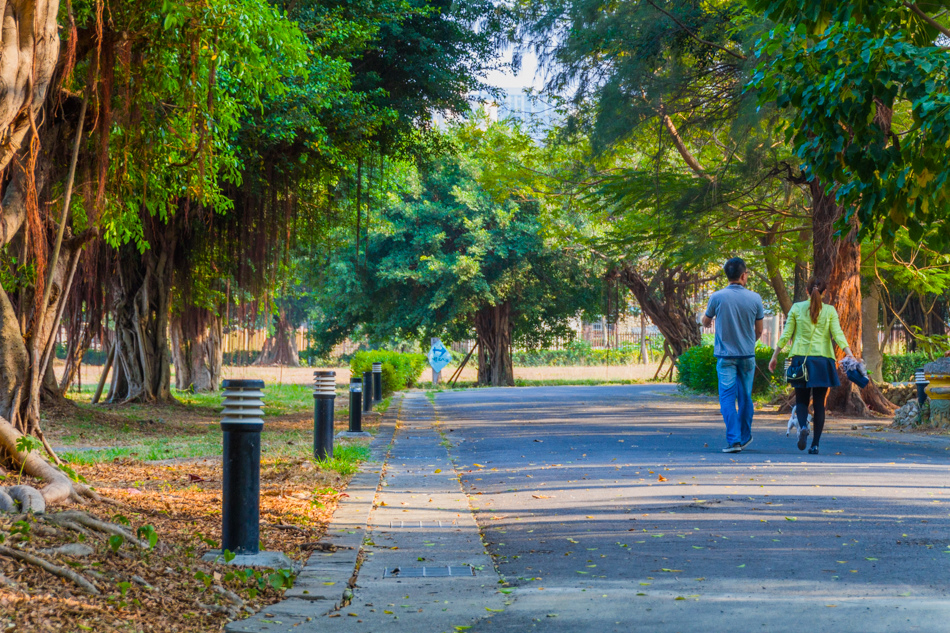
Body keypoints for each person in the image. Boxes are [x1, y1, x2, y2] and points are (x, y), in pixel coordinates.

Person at [768, 278, 854, 455]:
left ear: (807, 291)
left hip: (801, 361)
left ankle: (803, 426)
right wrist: (850, 354)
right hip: (823, 361)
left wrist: (774, 356)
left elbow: (786, 335)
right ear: (824, 293)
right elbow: (837, 334)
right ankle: (815, 445)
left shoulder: (797, 308)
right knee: (820, 404)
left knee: (801, 401)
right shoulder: (830, 310)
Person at [702, 258, 765, 453]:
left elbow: (705, 322)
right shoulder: (755, 298)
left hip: (725, 357)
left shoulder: (717, 297)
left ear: (727, 275)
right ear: (743, 275)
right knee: (746, 396)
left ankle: (734, 440)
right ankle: (745, 437)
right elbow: (759, 330)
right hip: (747, 357)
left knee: (727, 398)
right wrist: (747, 342)